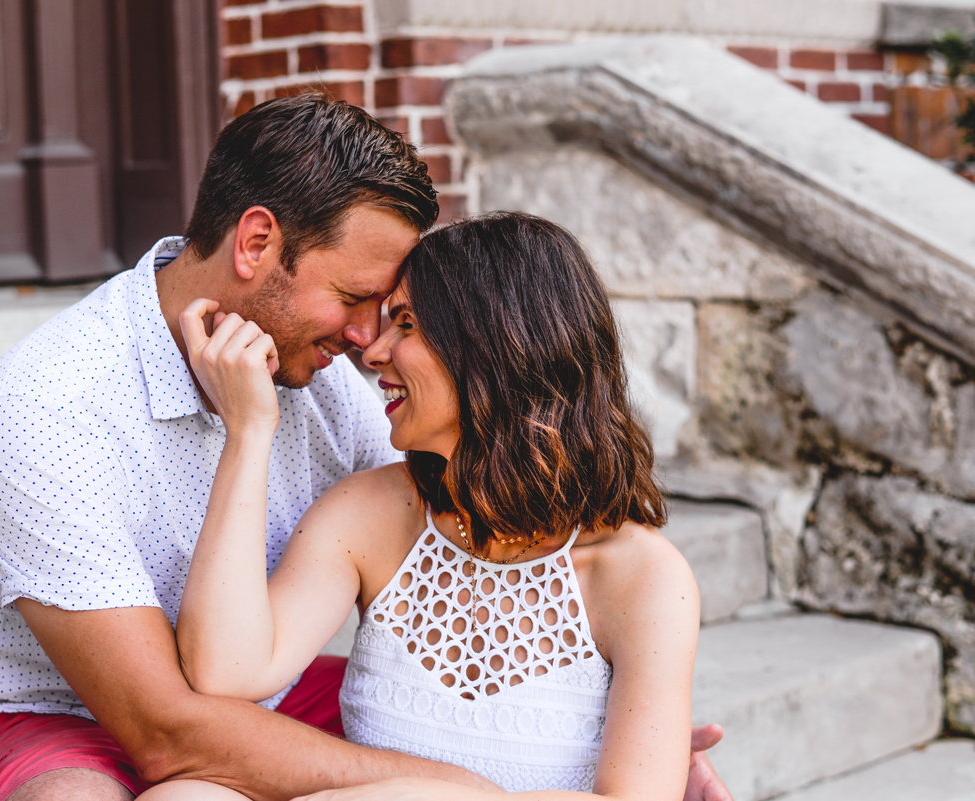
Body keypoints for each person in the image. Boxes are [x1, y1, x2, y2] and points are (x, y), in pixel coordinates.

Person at [0, 93, 731, 801]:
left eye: (395, 317)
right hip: (62, 715)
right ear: (257, 243)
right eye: (356, 298)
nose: (369, 339)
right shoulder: (47, 406)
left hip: (250, 693)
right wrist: (465, 788)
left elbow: (463, 523)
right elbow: (163, 726)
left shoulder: (326, 372)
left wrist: (612, 724)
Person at [173, 212, 701, 800]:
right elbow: (227, 671)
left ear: (499, 347)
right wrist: (248, 434)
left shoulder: (641, 578)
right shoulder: (371, 514)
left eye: (406, 325)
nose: (372, 351)